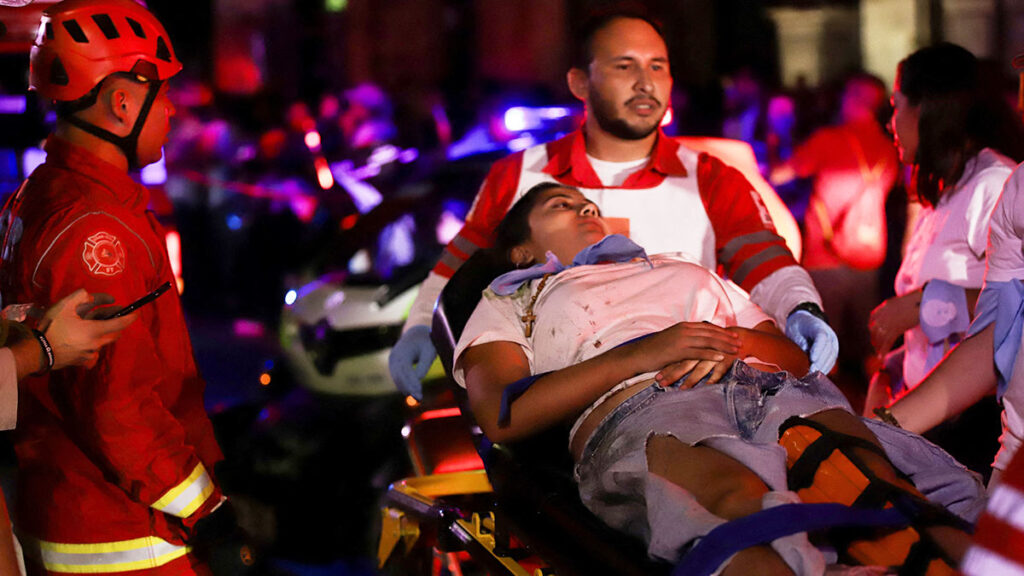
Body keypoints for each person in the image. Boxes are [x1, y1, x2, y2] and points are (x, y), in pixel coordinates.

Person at [453, 183, 979, 575]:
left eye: (587, 201)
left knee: (864, 478)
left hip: (769, 386)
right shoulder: (514, 300)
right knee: (728, 503)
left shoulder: (676, 267)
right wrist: (645, 353)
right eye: (561, 205)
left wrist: (728, 343)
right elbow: (503, 414)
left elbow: (791, 357)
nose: (585, 207)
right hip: (647, 409)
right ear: (521, 251)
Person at [390, 7, 837, 400]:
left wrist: (802, 309)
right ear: (579, 82)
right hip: (558, 416)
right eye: (625, 66)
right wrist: (419, 328)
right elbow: (461, 263)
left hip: (695, 393)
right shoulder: (519, 174)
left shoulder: (710, 176)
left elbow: (765, 261)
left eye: (658, 66)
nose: (646, 83)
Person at [0, 1, 243, 574]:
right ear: (122, 102)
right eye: (163, 93)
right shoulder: (97, 228)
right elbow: (117, 406)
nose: (173, 109)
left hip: (74, 514)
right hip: (131, 535)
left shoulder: (39, 194)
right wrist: (207, 510)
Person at [864, 43, 1020, 416]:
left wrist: (925, 304)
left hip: (975, 414)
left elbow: (1017, 302)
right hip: (930, 406)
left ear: (927, 109)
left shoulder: (993, 183)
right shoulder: (945, 189)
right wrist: (896, 368)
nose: (890, 124)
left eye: (895, 106)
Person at [770, 73, 899, 407]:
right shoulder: (889, 147)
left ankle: (830, 417)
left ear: (852, 99)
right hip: (868, 256)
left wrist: (779, 132)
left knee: (824, 350)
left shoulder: (829, 140)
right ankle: (876, 414)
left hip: (823, 257)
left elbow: (779, 174)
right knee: (865, 347)